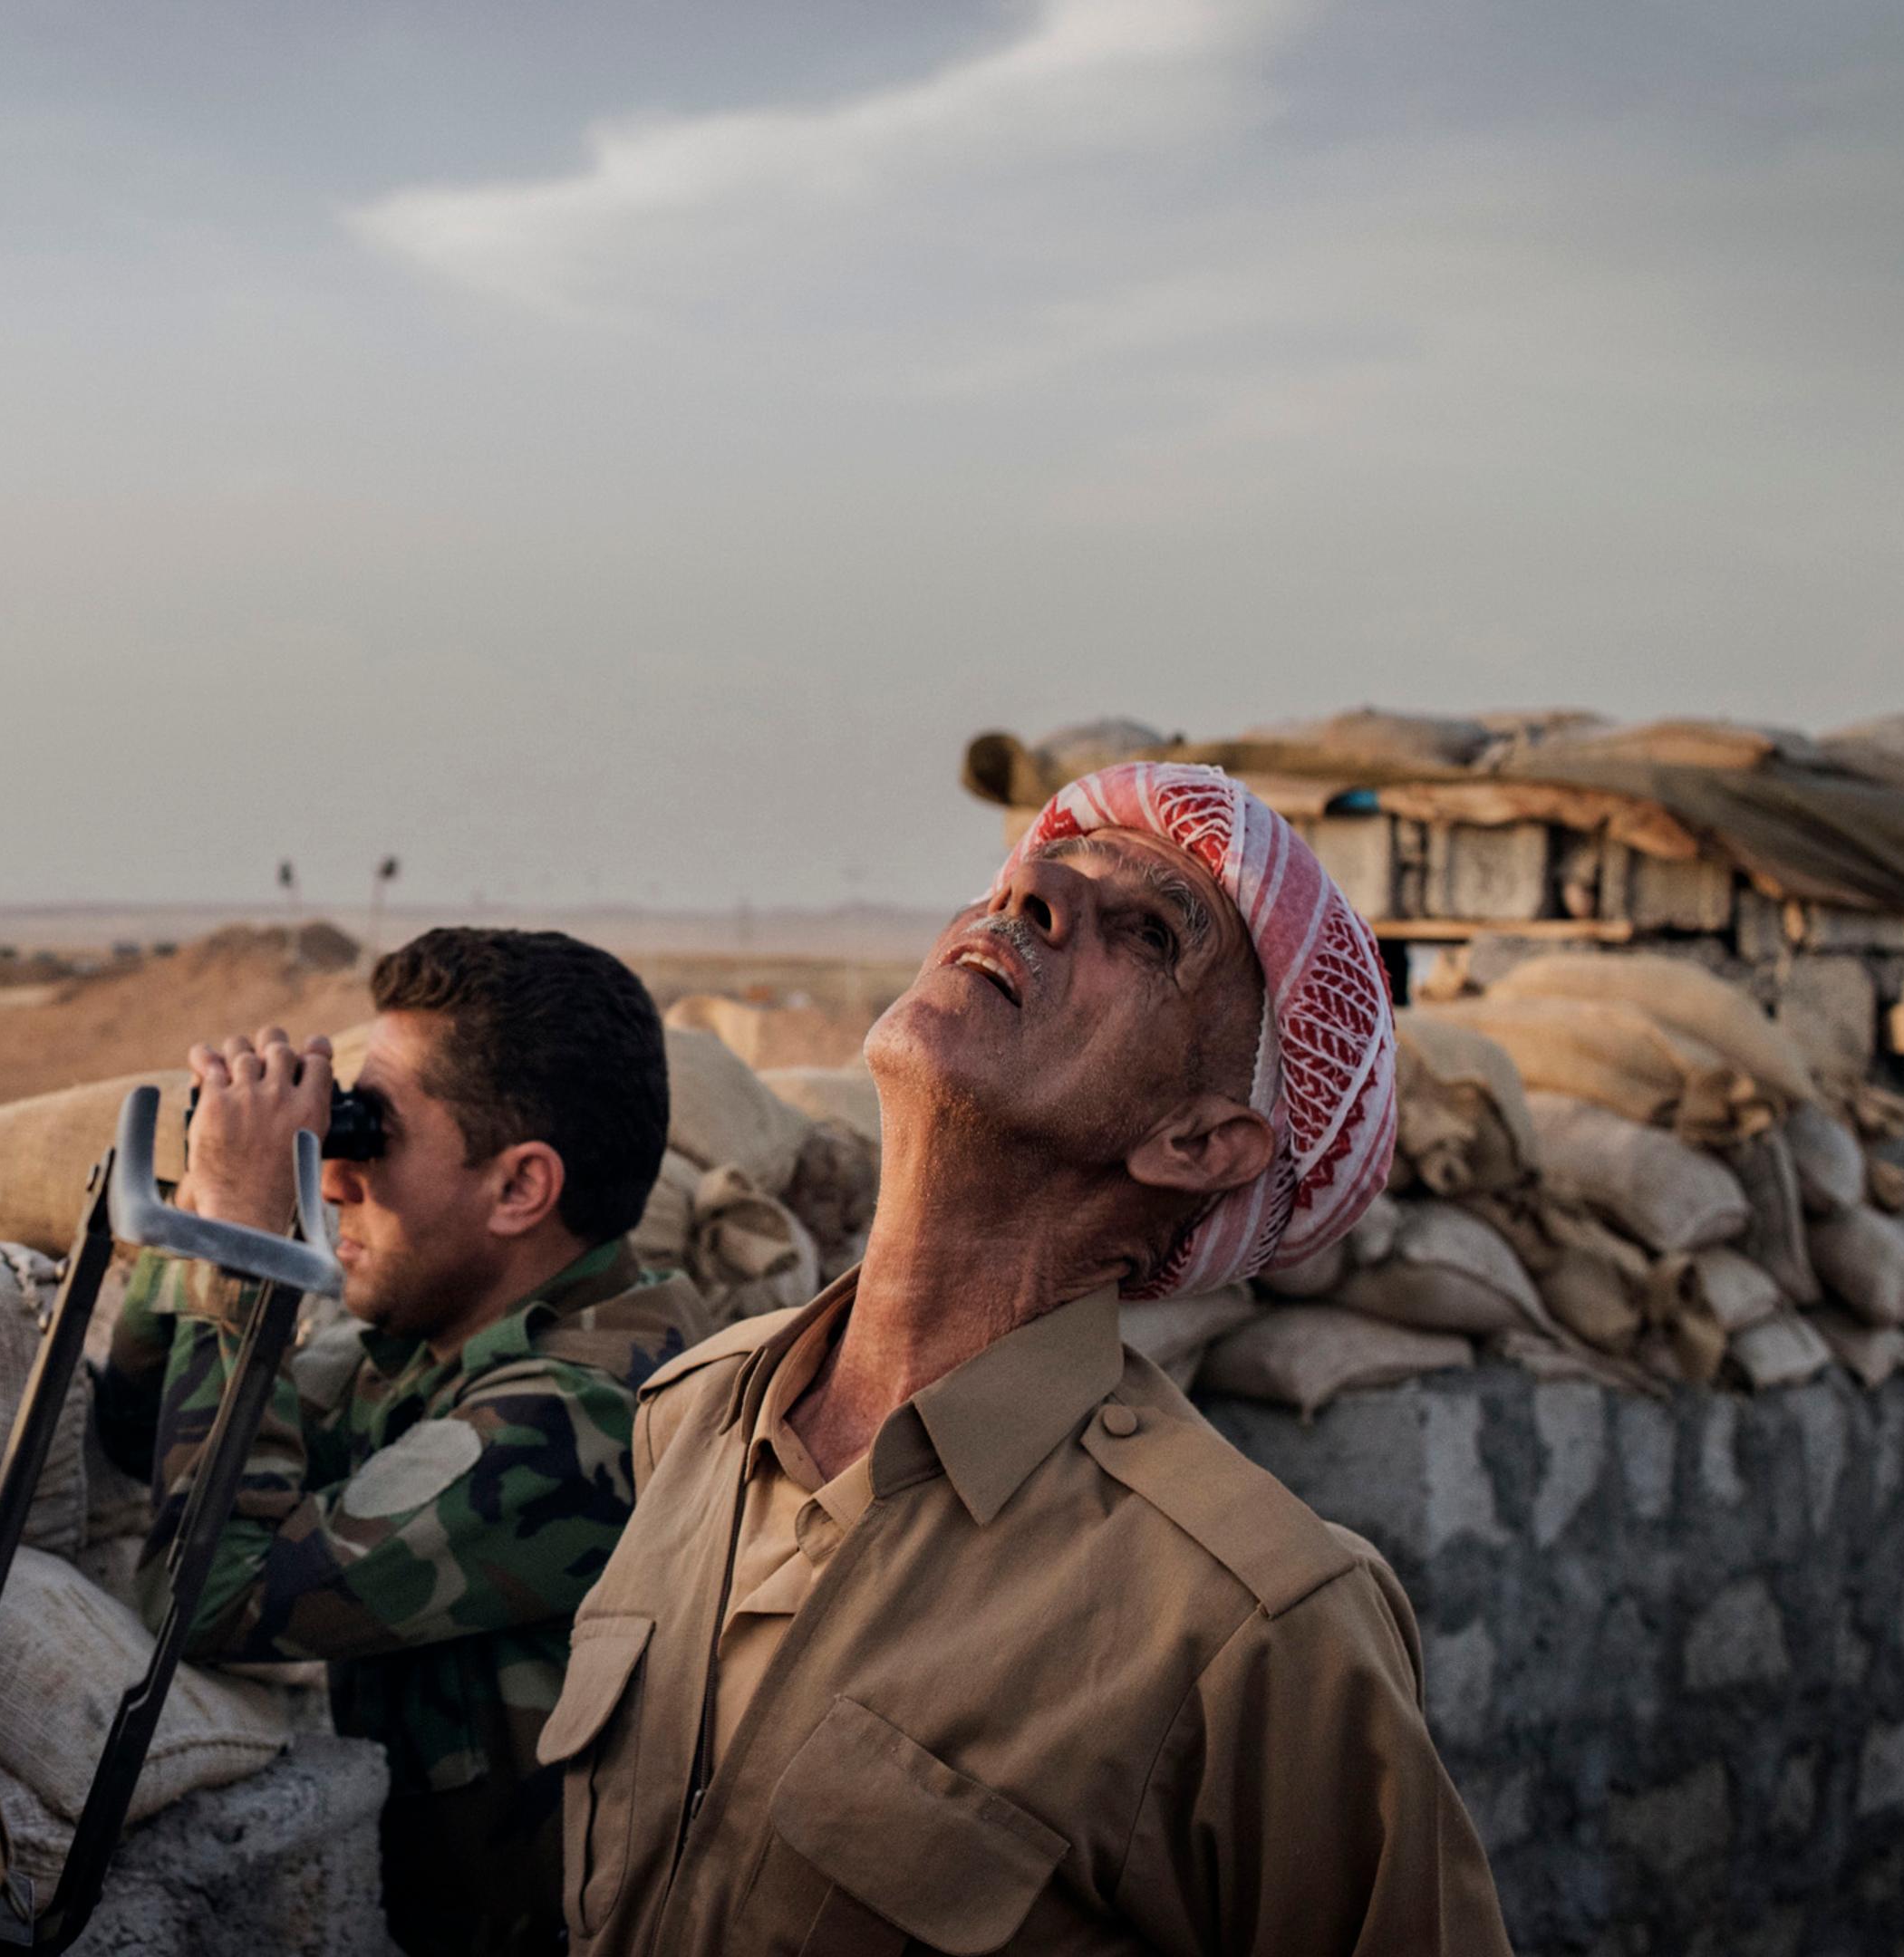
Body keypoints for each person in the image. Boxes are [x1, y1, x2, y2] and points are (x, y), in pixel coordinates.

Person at [544, 764, 1513, 1954]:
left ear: (1201, 1140)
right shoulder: (694, 1414)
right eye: (1030, 870)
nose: (1031, 885)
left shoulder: (1250, 1619)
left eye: (1152, 935)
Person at [99, 927, 712, 1957]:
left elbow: (204, 1600)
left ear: (520, 1188)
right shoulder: (439, 1347)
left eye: (369, 1137)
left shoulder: (583, 1412)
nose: (335, 1180)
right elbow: (137, 1434)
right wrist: (211, 1213)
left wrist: (248, 1245)